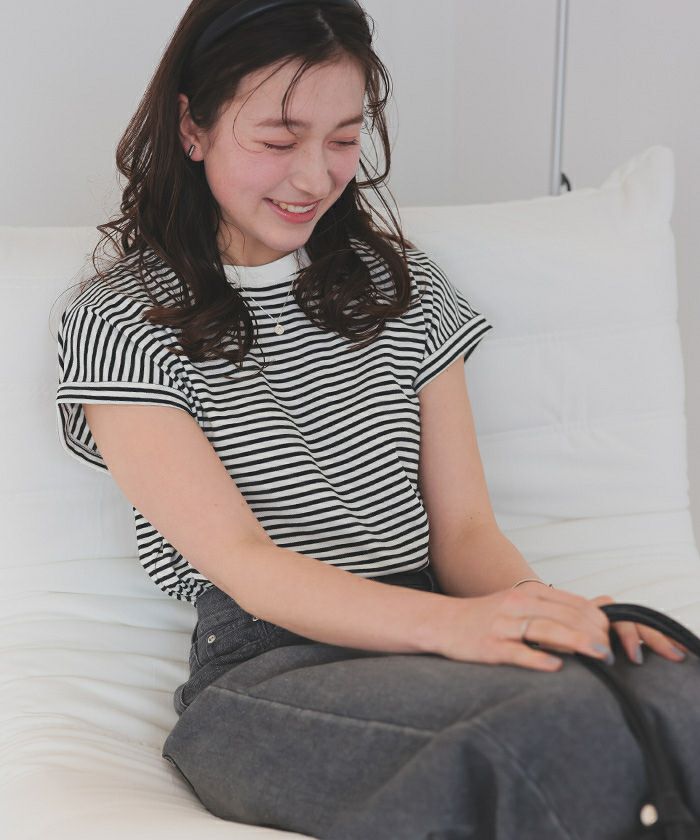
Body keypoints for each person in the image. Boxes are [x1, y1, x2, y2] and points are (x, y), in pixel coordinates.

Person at [54, 1, 699, 837]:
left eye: (343, 139)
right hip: (271, 670)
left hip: (433, 632)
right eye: (278, 140)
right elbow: (247, 565)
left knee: (674, 692)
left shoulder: (401, 287)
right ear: (192, 127)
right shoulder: (123, 319)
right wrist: (460, 627)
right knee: (554, 734)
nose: (314, 177)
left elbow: (464, 532)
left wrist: (549, 613)